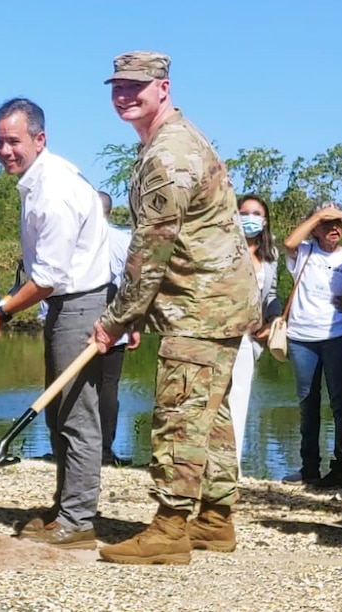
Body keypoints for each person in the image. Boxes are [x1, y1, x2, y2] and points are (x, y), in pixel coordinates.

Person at [92, 51, 260, 565]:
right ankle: (214, 518)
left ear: (163, 87)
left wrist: (116, 318)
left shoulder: (168, 154)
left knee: (180, 415)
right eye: (117, 86)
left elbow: (150, 249)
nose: (125, 95)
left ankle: (169, 528)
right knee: (209, 415)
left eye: (136, 87)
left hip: (200, 304)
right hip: (215, 301)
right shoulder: (173, 140)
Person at [0, 98, 110, 549]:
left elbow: (48, 278)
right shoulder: (36, 183)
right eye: (0, 142)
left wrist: (2, 312)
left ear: (39, 139)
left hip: (80, 305)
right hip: (64, 306)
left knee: (76, 415)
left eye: (14, 141)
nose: (6, 150)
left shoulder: (54, 191)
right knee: (60, 412)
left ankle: (78, 521)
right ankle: (64, 507)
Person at [280, 202, 342, 489]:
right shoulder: (303, 252)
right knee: (307, 404)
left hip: (340, 337)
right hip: (302, 338)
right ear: (315, 228)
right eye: (327, 223)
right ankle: (309, 468)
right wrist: (316, 216)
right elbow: (288, 242)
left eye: (338, 222)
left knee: (340, 404)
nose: (334, 228)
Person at [230, 194, 282, 474]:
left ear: (264, 221)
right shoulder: (222, 249)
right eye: (244, 212)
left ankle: (232, 467)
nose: (250, 218)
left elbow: (270, 294)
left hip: (248, 338)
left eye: (256, 213)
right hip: (219, 332)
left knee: (239, 396)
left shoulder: (269, 258)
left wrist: (272, 318)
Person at [98, 191, 133, 467]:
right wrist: (133, 324)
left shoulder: (74, 237)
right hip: (115, 319)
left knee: (75, 386)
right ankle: (104, 450)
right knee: (109, 386)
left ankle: (70, 449)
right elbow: (131, 285)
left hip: (79, 319)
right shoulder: (124, 240)